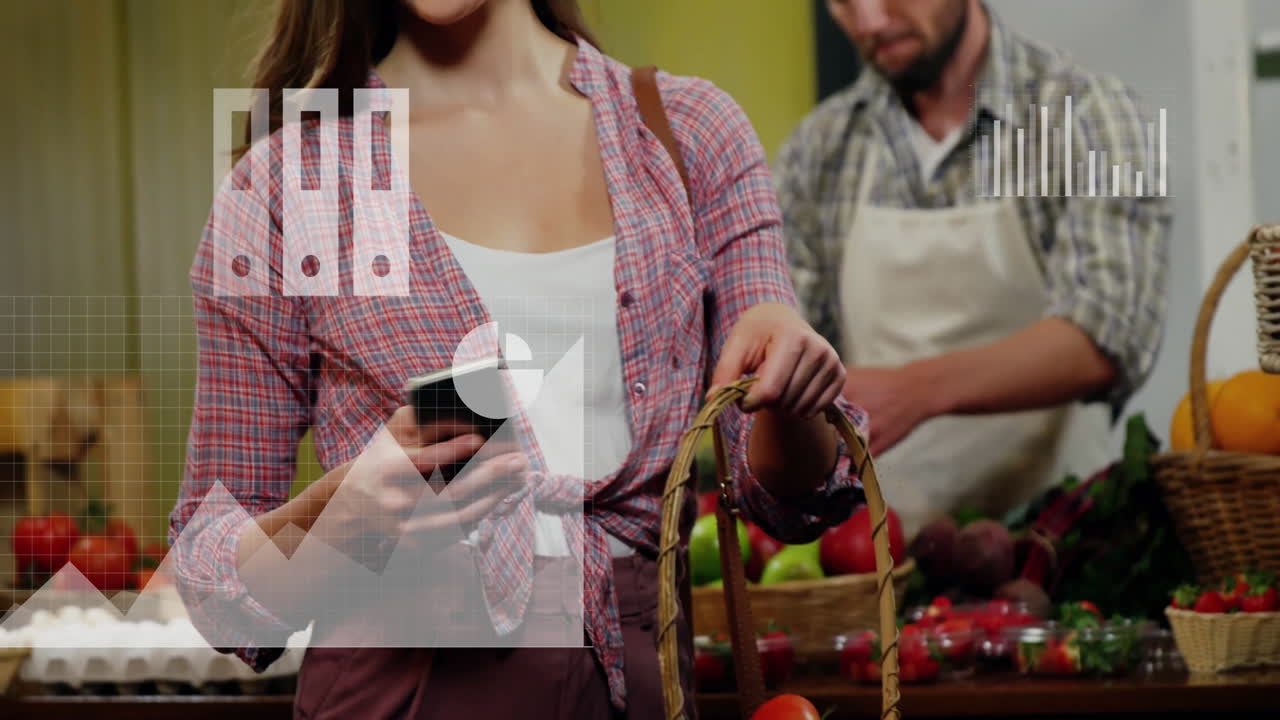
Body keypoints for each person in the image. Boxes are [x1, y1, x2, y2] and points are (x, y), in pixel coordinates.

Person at [170, 1, 866, 719]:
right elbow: (215, 590)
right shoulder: (288, 180)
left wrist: (790, 386)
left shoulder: (688, 133)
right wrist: (346, 520)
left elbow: (795, 500)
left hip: (642, 692)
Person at [776, 0, 1172, 540]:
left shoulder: (1093, 116)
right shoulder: (815, 152)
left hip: (1055, 557)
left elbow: (1108, 334)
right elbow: (792, 355)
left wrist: (911, 391)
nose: (868, 21)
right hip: (879, 567)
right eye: (843, 2)